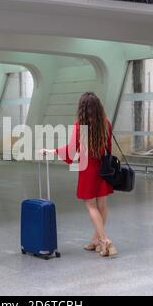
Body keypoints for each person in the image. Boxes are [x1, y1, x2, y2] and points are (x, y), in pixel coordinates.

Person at [40, 92, 118, 257]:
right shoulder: (106, 124)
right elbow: (109, 148)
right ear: (98, 107)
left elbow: (70, 151)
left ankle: (105, 240)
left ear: (82, 108)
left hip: (88, 169)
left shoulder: (80, 126)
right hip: (104, 168)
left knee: (91, 206)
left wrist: (51, 151)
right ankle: (96, 240)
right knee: (102, 205)